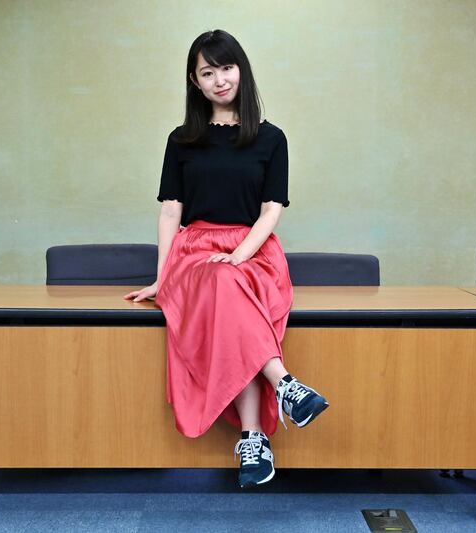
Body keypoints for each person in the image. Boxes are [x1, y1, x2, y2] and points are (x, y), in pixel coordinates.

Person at [124, 29, 329, 488]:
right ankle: (285, 386)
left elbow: (271, 210)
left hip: (255, 251)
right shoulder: (181, 140)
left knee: (231, 292)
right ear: (195, 82)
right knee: (221, 285)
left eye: (227, 67)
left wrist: (238, 255)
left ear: (242, 70)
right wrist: (161, 279)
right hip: (195, 252)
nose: (220, 80)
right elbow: (171, 211)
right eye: (207, 72)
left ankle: (254, 436)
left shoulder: (272, 138)